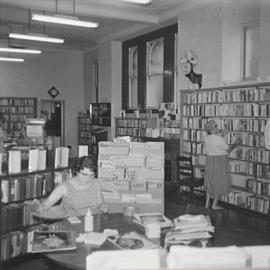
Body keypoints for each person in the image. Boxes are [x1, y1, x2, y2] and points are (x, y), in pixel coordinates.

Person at [31, 156, 104, 218]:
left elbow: (100, 205)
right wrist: (39, 208)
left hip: (93, 222)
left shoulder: (96, 183)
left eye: (91, 175)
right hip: (74, 225)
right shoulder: (65, 187)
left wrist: (103, 208)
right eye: (84, 174)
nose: (87, 178)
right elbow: (45, 206)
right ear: (77, 171)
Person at [204, 119, 241, 210]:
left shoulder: (207, 138)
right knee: (218, 182)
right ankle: (214, 205)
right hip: (219, 161)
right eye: (216, 126)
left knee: (210, 181)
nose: (218, 127)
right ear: (213, 128)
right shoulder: (218, 138)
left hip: (209, 160)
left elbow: (216, 143)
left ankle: (207, 203)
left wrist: (221, 135)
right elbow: (228, 149)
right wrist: (236, 143)